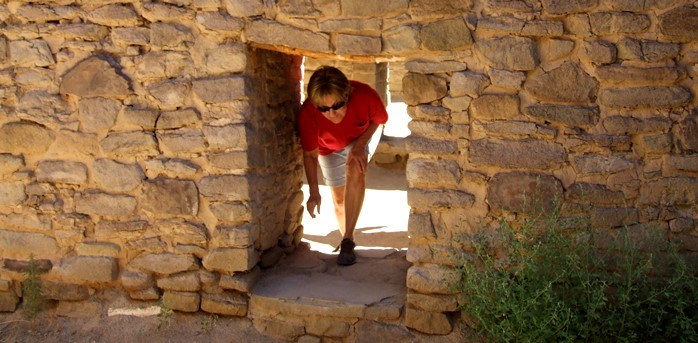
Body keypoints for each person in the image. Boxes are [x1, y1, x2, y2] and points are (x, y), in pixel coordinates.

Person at [297, 66, 388, 266]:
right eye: (323, 109)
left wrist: (360, 146)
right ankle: (347, 234)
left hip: (361, 136)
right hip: (328, 148)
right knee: (338, 199)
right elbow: (310, 156)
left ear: (347, 94)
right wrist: (314, 192)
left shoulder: (365, 96)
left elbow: (379, 120)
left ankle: (347, 241)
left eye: (337, 105)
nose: (331, 113)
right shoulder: (307, 114)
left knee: (354, 169)